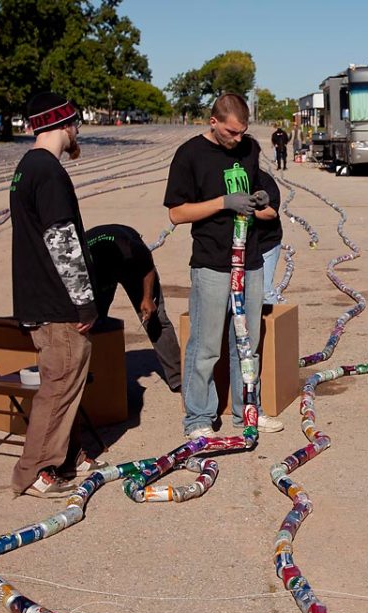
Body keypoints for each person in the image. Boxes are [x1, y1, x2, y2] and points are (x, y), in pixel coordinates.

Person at [163, 93, 284, 437]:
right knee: (206, 345)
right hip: (212, 263)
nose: (237, 139)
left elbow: (262, 192)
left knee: (247, 344)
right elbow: (177, 213)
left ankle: (248, 410)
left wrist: (260, 200)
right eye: (231, 132)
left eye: (242, 133)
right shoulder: (189, 155)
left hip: (251, 261)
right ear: (213, 122)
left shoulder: (249, 149)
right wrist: (222, 203)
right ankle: (199, 419)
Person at [8, 91, 100, 498]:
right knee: (59, 384)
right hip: (58, 302)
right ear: (64, 124)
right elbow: (62, 241)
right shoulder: (48, 172)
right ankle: (35, 473)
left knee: (66, 380)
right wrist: (85, 301)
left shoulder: (26, 167)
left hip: (38, 297)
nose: (77, 130)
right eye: (75, 123)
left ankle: (69, 454)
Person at [85, 224, 182, 392]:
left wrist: (147, 297)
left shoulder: (131, 247)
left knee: (156, 320)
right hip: (98, 276)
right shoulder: (85, 256)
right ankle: (96, 378)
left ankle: (178, 378)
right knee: (93, 322)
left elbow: (147, 267)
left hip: (134, 271)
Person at [255, 169, 284, 304]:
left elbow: (271, 212)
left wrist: (244, 210)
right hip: (239, 245)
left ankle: (273, 322)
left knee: (264, 291)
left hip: (266, 243)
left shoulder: (263, 180)